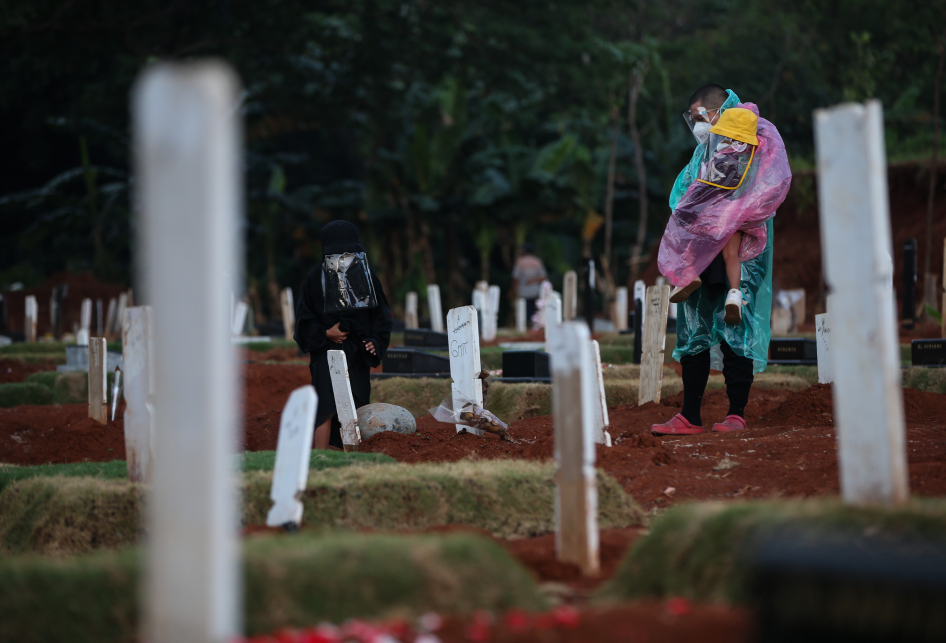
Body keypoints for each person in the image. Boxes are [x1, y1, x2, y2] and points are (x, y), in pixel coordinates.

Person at [652, 84, 791, 436]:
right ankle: (689, 415)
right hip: (702, 248)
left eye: (700, 117)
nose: (697, 125)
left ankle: (737, 413)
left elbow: (768, 186)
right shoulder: (702, 153)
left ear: (716, 110)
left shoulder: (755, 135)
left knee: (737, 327)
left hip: (742, 246)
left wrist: (728, 216)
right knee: (693, 327)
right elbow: (683, 193)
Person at [294, 221, 392, 449]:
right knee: (325, 406)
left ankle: (351, 455)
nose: (344, 258)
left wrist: (375, 341)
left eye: (349, 253)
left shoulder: (367, 278)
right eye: (338, 253)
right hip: (325, 353)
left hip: (357, 355)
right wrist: (326, 333)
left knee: (355, 406)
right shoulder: (313, 280)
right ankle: (320, 455)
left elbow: (382, 317)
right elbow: (303, 323)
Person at [661, 106, 763, 324]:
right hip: (736, 217)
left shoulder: (719, 155)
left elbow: (704, 186)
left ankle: (690, 275)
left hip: (712, 215)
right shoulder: (752, 157)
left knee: (692, 241)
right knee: (731, 256)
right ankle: (734, 294)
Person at [512, 243, 547, 327]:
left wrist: (512, 289)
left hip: (523, 290)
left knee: (525, 308)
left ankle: (528, 323)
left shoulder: (520, 262)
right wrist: (533, 280)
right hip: (535, 289)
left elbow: (515, 278)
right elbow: (543, 276)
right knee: (534, 307)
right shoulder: (537, 261)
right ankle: (534, 324)